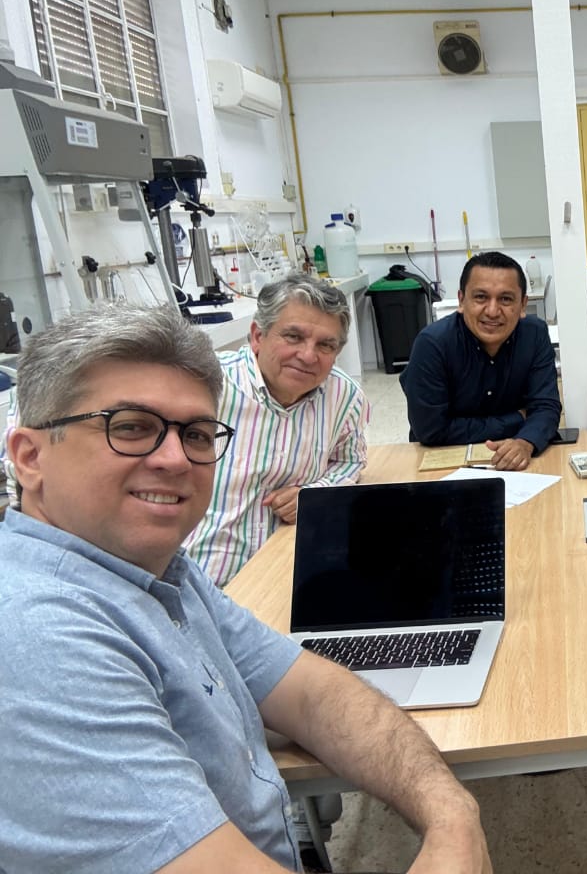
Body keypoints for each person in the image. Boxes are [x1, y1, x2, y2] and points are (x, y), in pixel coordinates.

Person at [0, 303, 491, 873]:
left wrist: (451, 812)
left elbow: (311, 693)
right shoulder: (40, 636)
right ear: (29, 457)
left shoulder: (159, 575)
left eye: (196, 434)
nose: (174, 459)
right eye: (130, 427)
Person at [186, 272, 370, 587]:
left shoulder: (344, 397)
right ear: (258, 336)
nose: (308, 356)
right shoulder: (206, 386)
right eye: (293, 337)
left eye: (325, 345)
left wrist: (314, 495)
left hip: (287, 574)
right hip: (201, 579)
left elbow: (350, 460)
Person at [402, 251, 560, 471]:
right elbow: (430, 430)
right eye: (481, 297)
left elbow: (546, 407)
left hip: (517, 458)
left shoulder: (534, 334)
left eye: (505, 299)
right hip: (443, 461)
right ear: (461, 300)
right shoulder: (432, 344)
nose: (493, 311)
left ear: (523, 305)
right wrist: (517, 418)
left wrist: (526, 442)